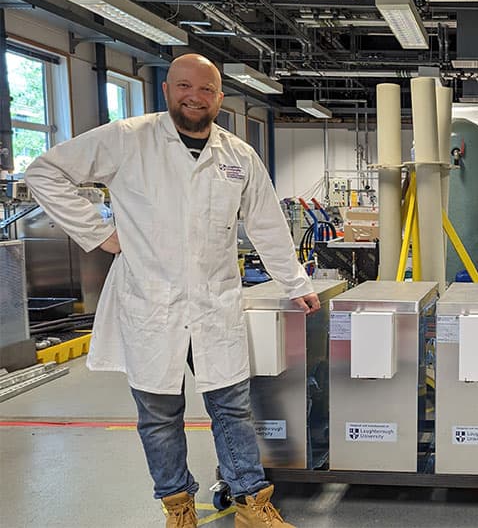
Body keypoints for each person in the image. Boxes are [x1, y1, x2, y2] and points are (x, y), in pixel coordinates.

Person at [25, 54, 317, 528]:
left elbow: (267, 225)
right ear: (167, 90)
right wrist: (99, 233)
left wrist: (296, 283)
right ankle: (177, 507)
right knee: (159, 415)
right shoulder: (127, 140)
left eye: (206, 90)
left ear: (220, 97)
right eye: (185, 86)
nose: (194, 97)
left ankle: (251, 503)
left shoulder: (239, 157)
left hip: (213, 303)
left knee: (232, 408)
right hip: (149, 304)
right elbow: (43, 172)